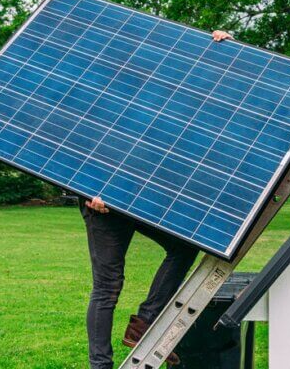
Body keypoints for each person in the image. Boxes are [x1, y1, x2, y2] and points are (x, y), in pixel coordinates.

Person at [80, 29, 234, 369]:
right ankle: (100, 365)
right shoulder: (101, 89)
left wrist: (216, 50)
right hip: (102, 202)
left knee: (183, 246)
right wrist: (87, 187)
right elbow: (75, 138)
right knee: (107, 286)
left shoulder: (161, 90)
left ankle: (144, 323)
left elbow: (192, 81)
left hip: (140, 193)